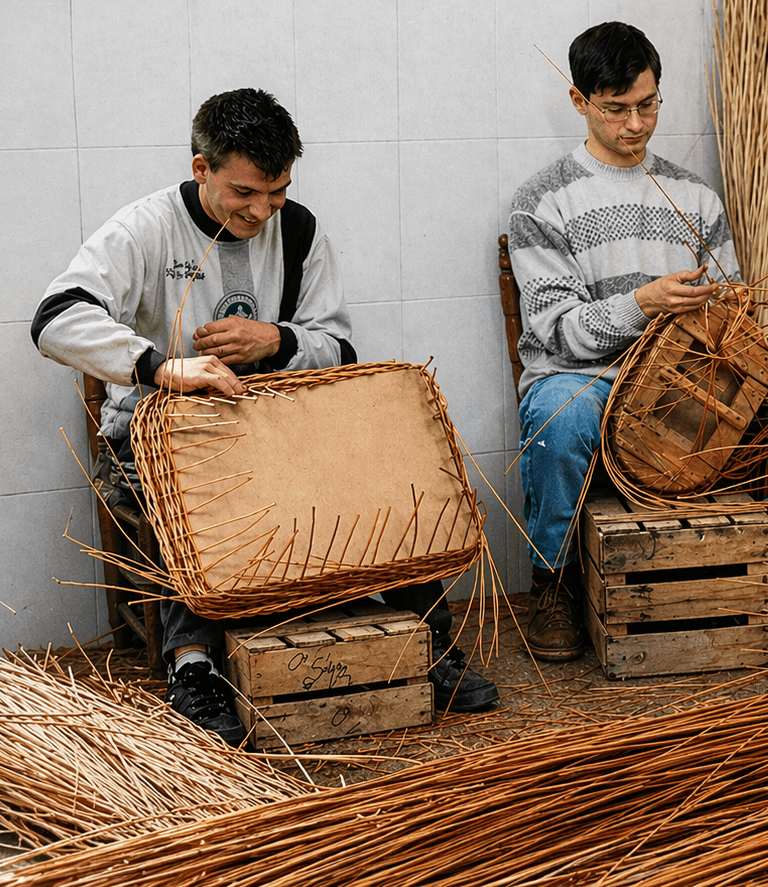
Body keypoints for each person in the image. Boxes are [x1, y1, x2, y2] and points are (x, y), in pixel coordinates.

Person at [31, 88, 498, 745]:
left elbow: (337, 347)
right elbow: (54, 321)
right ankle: (192, 669)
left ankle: (432, 641)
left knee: (379, 470)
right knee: (194, 494)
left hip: (275, 430)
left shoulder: (299, 228)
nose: (261, 210)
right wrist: (161, 366)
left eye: (275, 192)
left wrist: (274, 340)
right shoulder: (143, 229)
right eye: (245, 192)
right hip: (162, 435)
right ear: (202, 169)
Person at [507, 22, 768, 659]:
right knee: (559, 411)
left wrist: (729, 322)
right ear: (580, 102)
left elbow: (728, 311)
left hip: (694, 384)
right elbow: (557, 333)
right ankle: (551, 580)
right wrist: (645, 303)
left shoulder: (694, 196)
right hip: (593, 384)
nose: (635, 125)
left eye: (648, 104)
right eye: (616, 110)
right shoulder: (541, 201)